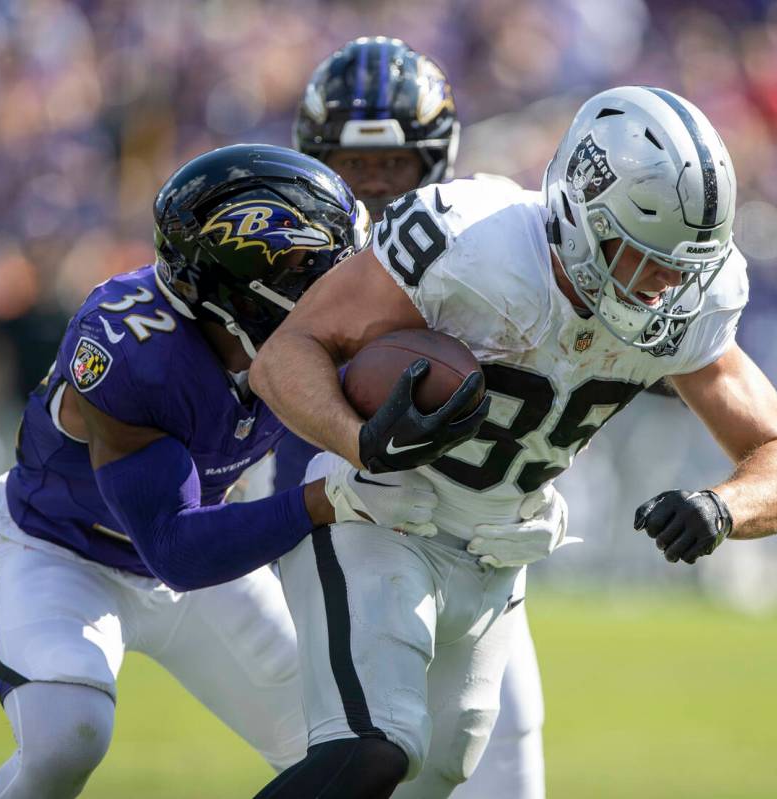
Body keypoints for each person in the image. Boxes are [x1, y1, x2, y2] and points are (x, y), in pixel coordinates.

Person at [248, 86, 777, 799]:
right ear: (581, 211)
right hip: (379, 511)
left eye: (682, 264)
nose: (665, 285)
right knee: (373, 749)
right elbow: (287, 352)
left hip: (497, 546)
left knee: (436, 778)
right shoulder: (472, 244)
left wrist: (721, 506)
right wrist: (359, 441)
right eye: (641, 255)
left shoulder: (689, 297)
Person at [0, 143, 466, 799]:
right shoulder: (134, 353)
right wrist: (324, 500)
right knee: (67, 734)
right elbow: (177, 546)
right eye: (314, 271)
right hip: (63, 553)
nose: (342, 289)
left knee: (342, 743)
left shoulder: (278, 336)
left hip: (195, 560)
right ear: (245, 290)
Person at [291, 36, 551, 798]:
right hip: (341, 540)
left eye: (393, 165)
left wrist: (537, 483)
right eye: (353, 164)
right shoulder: (288, 247)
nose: (372, 187)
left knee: (506, 764)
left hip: (475, 545)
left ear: (433, 163)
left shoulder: (471, 245)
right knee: (363, 759)